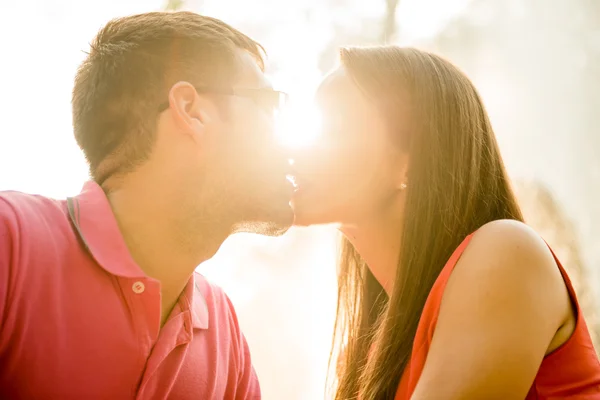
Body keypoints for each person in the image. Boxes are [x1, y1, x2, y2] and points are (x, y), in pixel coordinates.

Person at [0, 11, 292, 399]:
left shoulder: (224, 329)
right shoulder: (11, 245)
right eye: (269, 104)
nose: (286, 141)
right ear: (191, 110)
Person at [291, 46, 600, 399]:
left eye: (332, 129)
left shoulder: (507, 254)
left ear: (410, 162)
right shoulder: (370, 348)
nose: (296, 151)